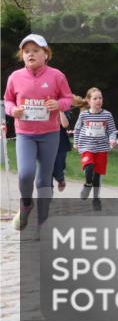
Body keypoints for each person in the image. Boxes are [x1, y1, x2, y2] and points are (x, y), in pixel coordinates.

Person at [4, 34, 74, 231]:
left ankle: (43, 221)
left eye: (35, 51)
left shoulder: (57, 76)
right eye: (27, 52)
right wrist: (12, 110)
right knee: (26, 174)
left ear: (46, 54)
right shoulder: (15, 77)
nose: (30, 54)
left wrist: (58, 104)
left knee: (44, 180)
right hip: (25, 134)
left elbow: (68, 99)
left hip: (49, 134)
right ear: (22, 55)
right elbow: (8, 100)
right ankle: (26, 204)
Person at [75, 87, 117, 212]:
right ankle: (87, 184)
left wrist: (113, 139)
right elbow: (77, 129)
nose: (98, 100)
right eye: (95, 98)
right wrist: (76, 142)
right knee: (89, 167)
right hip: (86, 146)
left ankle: (96, 198)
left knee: (97, 175)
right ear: (88, 101)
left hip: (101, 148)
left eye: (100, 98)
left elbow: (112, 130)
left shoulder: (107, 115)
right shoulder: (83, 115)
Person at [51, 107, 74, 193]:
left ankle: (60, 178)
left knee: (58, 168)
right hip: (45, 141)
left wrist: (60, 110)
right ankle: (48, 194)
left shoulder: (64, 106)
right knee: (47, 171)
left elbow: (65, 124)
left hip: (60, 143)